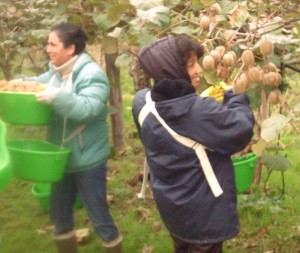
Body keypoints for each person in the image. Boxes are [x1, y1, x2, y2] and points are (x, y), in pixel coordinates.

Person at [132, 34, 255, 253]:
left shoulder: (142, 102)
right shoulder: (196, 112)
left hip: (172, 207)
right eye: (191, 65)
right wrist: (235, 97)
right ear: (170, 69)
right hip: (204, 217)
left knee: (182, 246)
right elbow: (241, 129)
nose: (199, 70)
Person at [25, 23, 122, 253]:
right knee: (59, 215)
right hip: (60, 159)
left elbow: (88, 109)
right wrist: (16, 84)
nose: (47, 49)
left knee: (99, 217)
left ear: (70, 48)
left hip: (87, 159)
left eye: (52, 44)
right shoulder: (56, 72)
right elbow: (38, 82)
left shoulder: (93, 75)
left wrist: (57, 97)